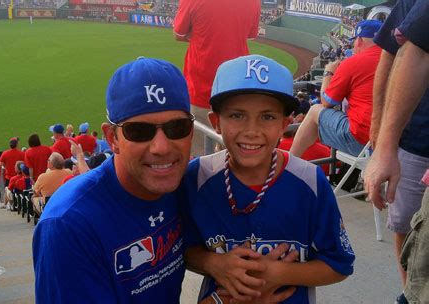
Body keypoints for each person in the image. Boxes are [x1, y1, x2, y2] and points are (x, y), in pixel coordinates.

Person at [182, 55, 355, 303]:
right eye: (237, 115)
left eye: (268, 117)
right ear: (215, 122)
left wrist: (277, 272)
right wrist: (212, 261)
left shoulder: (309, 180)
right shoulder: (197, 177)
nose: (252, 131)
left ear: (285, 124)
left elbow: (339, 264)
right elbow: (182, 249)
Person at [33, 57, 193, 302]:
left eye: (177, 127)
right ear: (112, 138)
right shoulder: (68, 226)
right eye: (139, 131)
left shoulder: (183, 184)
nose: (161, 147)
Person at [364, 1, 429, 303]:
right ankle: (410, 291)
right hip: (415, 136)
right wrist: (382, 135)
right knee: (406, 225)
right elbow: (397, 53)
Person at [290, 20, 383, 157]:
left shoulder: (353, 62)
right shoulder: (394, 58)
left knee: (316, 110)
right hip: (392, 142)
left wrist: (328, 73)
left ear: (359, 41)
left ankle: (289, 162)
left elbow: (327, 101)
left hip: (364, 142)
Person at [173, 0, 260, 127]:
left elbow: (179, 34)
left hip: (200, 89)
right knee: (230, 145)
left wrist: (200, 34)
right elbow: (249, 35)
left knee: (200, 145)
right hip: (236, 88)